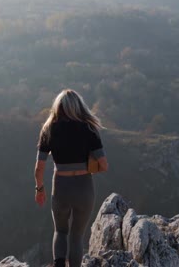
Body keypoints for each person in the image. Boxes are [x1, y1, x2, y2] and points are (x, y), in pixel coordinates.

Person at [34, 89, 108, 267]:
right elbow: (104, 165)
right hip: (84, 187)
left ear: (57, 107)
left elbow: (39, 167)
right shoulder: (89, 128)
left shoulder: (48, 129)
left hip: (61, 186)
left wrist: (39, 189)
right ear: (79, 107)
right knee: (77, 236)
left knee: (60, 231)